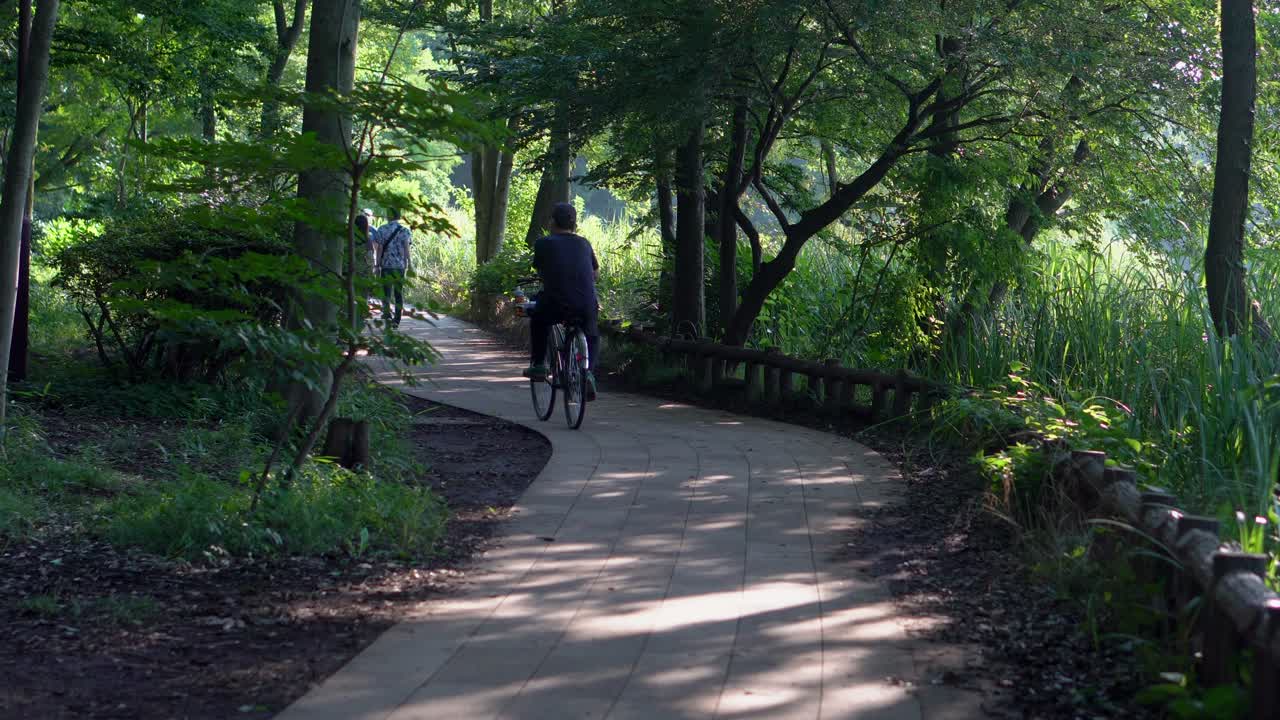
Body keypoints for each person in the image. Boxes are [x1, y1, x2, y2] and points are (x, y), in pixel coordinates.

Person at [523, 202, 599, 401]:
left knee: (538, 318)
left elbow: (541, 272)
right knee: (592, 333)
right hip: (586, 304)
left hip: (556, 303)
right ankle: (588, 372)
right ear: (574, 223)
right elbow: (595, 274)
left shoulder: (543, 243)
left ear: (553, 221)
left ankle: (539, 364)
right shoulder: (585, 243)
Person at [374, 208, 412, 327]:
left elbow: (379, 249)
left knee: (386, 292)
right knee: (398, 293)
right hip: (399, 266)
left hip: (386, 265)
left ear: (388, 216)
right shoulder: (405, 231)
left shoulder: (382, 229)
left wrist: (377, 264)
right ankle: (397, 320)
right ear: (399, 216)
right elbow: (407, 248)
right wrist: (409, 264)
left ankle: (387, 315)